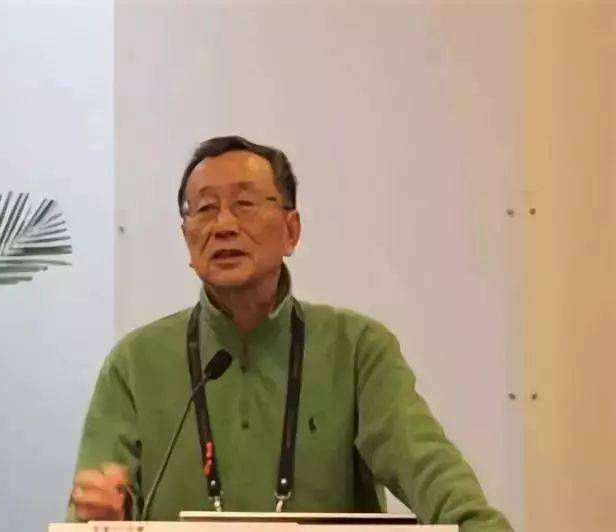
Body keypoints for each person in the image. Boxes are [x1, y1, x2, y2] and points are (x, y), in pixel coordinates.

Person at [67, 136, 512, 531]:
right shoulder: (136, 363)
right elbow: (95, 504)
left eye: (245, 204)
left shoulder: (355, 349)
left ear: (291, 230)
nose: (223, 225)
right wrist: (101, 518)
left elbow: (429, 469)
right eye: (204, 209)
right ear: (187, 238)